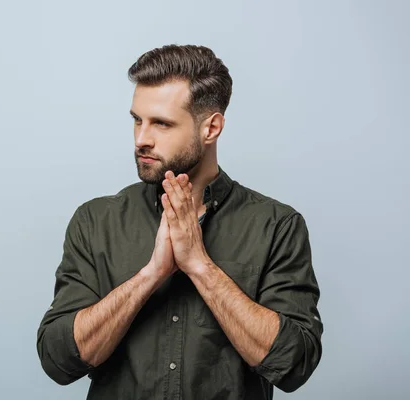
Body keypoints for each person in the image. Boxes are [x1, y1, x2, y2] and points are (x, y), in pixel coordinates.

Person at [36, 44, 323, 399]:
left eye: (162, 123)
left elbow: (294, 365)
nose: (142, 138)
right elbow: (58, 360)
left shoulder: (277, 226)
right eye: (137, 120)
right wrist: (150, 276)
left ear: (211, 128)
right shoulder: (96, 221)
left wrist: (200, 266)